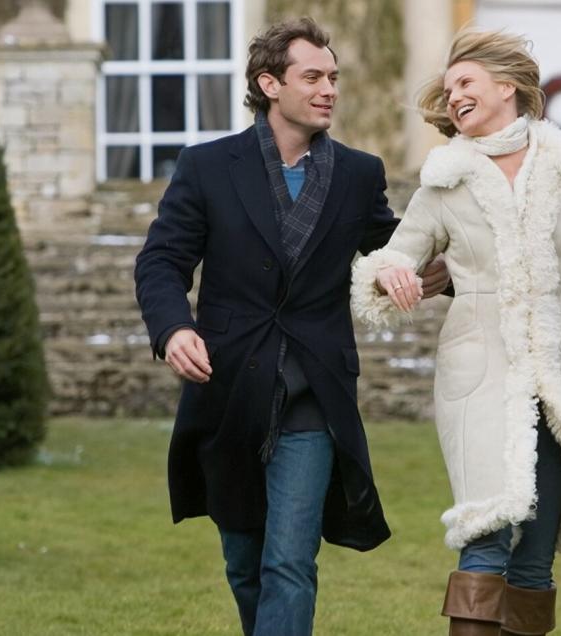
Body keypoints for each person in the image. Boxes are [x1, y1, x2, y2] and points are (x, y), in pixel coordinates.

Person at [134, 17, 449, 636]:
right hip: (228, 384)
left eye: (333, 77)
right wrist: (173, 330)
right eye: (313, 77)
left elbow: (397, 248)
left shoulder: (359, 173)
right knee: (244, 562)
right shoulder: (207, 166)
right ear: (269, 84)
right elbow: (161, 261)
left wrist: (442, 268)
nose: (329, 89)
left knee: (289, 562)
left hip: (315, 391)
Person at [351, 29, 561, 636]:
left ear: (507, 86)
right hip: (476, 376)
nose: (454, 97)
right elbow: (393, 257)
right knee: (485, 531)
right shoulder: (445, 179)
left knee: (535, 558)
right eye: (448, 90)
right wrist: (389, 276)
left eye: (465, 84)